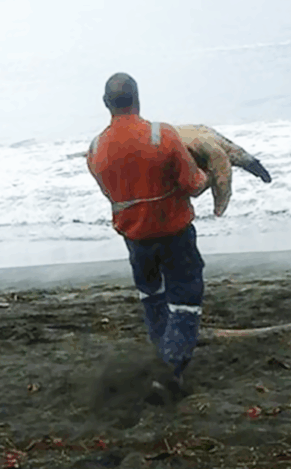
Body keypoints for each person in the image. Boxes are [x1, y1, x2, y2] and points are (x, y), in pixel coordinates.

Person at [86, 72, 210, 397]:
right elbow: (192, 185)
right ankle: (168, 371)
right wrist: (211, 173)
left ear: (105, 104)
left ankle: (161, 358)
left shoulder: (95, 149)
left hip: (136, 240)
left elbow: (110, 194)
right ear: (138, 99)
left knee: (152, 295)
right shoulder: (163, 136)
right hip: (174, 234)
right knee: (185, 297)